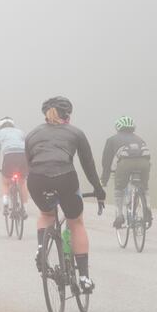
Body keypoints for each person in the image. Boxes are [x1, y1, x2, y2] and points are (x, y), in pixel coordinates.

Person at [25, 97, 106, 293]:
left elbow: (29, 162)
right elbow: (88, 165)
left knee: (46, 215)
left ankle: (41, 249)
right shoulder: (75, 132)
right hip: (65, 177)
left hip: (36, 179)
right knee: (75, 222)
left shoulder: (32, 134)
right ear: (68, 116)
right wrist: (98, 189)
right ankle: (84, 278)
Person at [101, 116, 153, 229]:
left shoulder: (112, 140)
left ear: (118, 128)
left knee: (119, 190)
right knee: (145, 188)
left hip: (125, 164)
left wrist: (104, 180)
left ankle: (119, 216)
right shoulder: (140, 139)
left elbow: (106, 162)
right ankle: (148, 207)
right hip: (144, 163)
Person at [0, 117, 29, 218]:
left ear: (0, 126)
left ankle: (6, 205)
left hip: (9, 156)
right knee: (22, 182)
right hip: (23, 156)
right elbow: (28, 145)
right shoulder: (20, 132)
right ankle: (24, 209)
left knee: (5, 182)